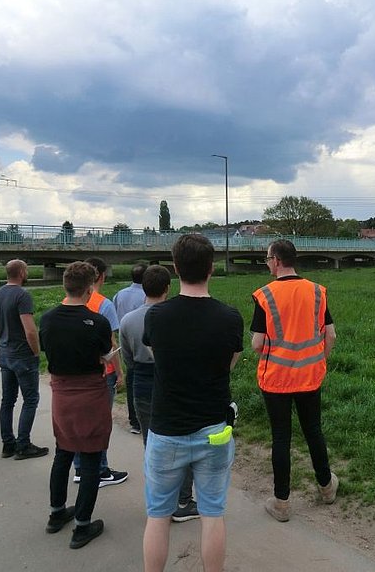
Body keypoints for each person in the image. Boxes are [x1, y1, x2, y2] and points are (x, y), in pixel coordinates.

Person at [142, 234, 243, 572]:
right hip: (213, 431)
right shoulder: (230, 318)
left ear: (175, 269)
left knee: (157, 516)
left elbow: (159, 359)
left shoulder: (156, 317)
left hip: (167, 430)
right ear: (211, 269)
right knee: (213, 514)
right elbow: (229, 363)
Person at [251, 239, 338, 522]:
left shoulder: (265, 295)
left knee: (280, 437)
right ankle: (326, 487)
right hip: (310, 377)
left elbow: (256, 343)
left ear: (276, 260)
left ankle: (282, 503)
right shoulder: (317, 291)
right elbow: (331, 335)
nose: (267, 264)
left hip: (276, 380)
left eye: (267, 259)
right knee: (314, 431)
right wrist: (318, 360)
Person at [39, 261, 111, 549]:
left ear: (65, 285)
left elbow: (49, 349)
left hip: (61, 392)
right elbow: (105, 353)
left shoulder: (48, 318)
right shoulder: (98, 321)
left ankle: (57, 513)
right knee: (91, 458)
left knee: (63, 452)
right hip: (90, 392)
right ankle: (82, 525)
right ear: (90, 287)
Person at [119, 264, 199, 522]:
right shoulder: (176, 317)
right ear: (168, 287)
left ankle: (159, 498)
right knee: (182, 442)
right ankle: (183, 500)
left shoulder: (128, 320)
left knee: (151, 443)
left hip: (141, 383)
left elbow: (128, 359)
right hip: (173, 383)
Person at [67, 257, 127, 488]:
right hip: (103, 371)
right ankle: (101, 470)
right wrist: (120, 372)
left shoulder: (68, 300)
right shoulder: (104, 304)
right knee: (100, 423)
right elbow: (112, 343)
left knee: (80, 421)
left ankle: (80, 467)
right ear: (100, 276)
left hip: (76, 371)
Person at [0, 259, 48, 460]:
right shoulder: (22, 295)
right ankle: (24, 444)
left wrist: (3, 342)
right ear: (22, 272)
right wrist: (35, 351)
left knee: (7, 400)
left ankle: (8, 444)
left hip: (5, 351)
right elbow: (30, 330)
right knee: (30, 399)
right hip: (22, 354)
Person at [113, 262, 148, 434]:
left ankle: (134, 421)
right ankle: (145, 419)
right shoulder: (146, 295)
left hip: (124, 339)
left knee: (130, 381)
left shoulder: (119, 294)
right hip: (143, 343)